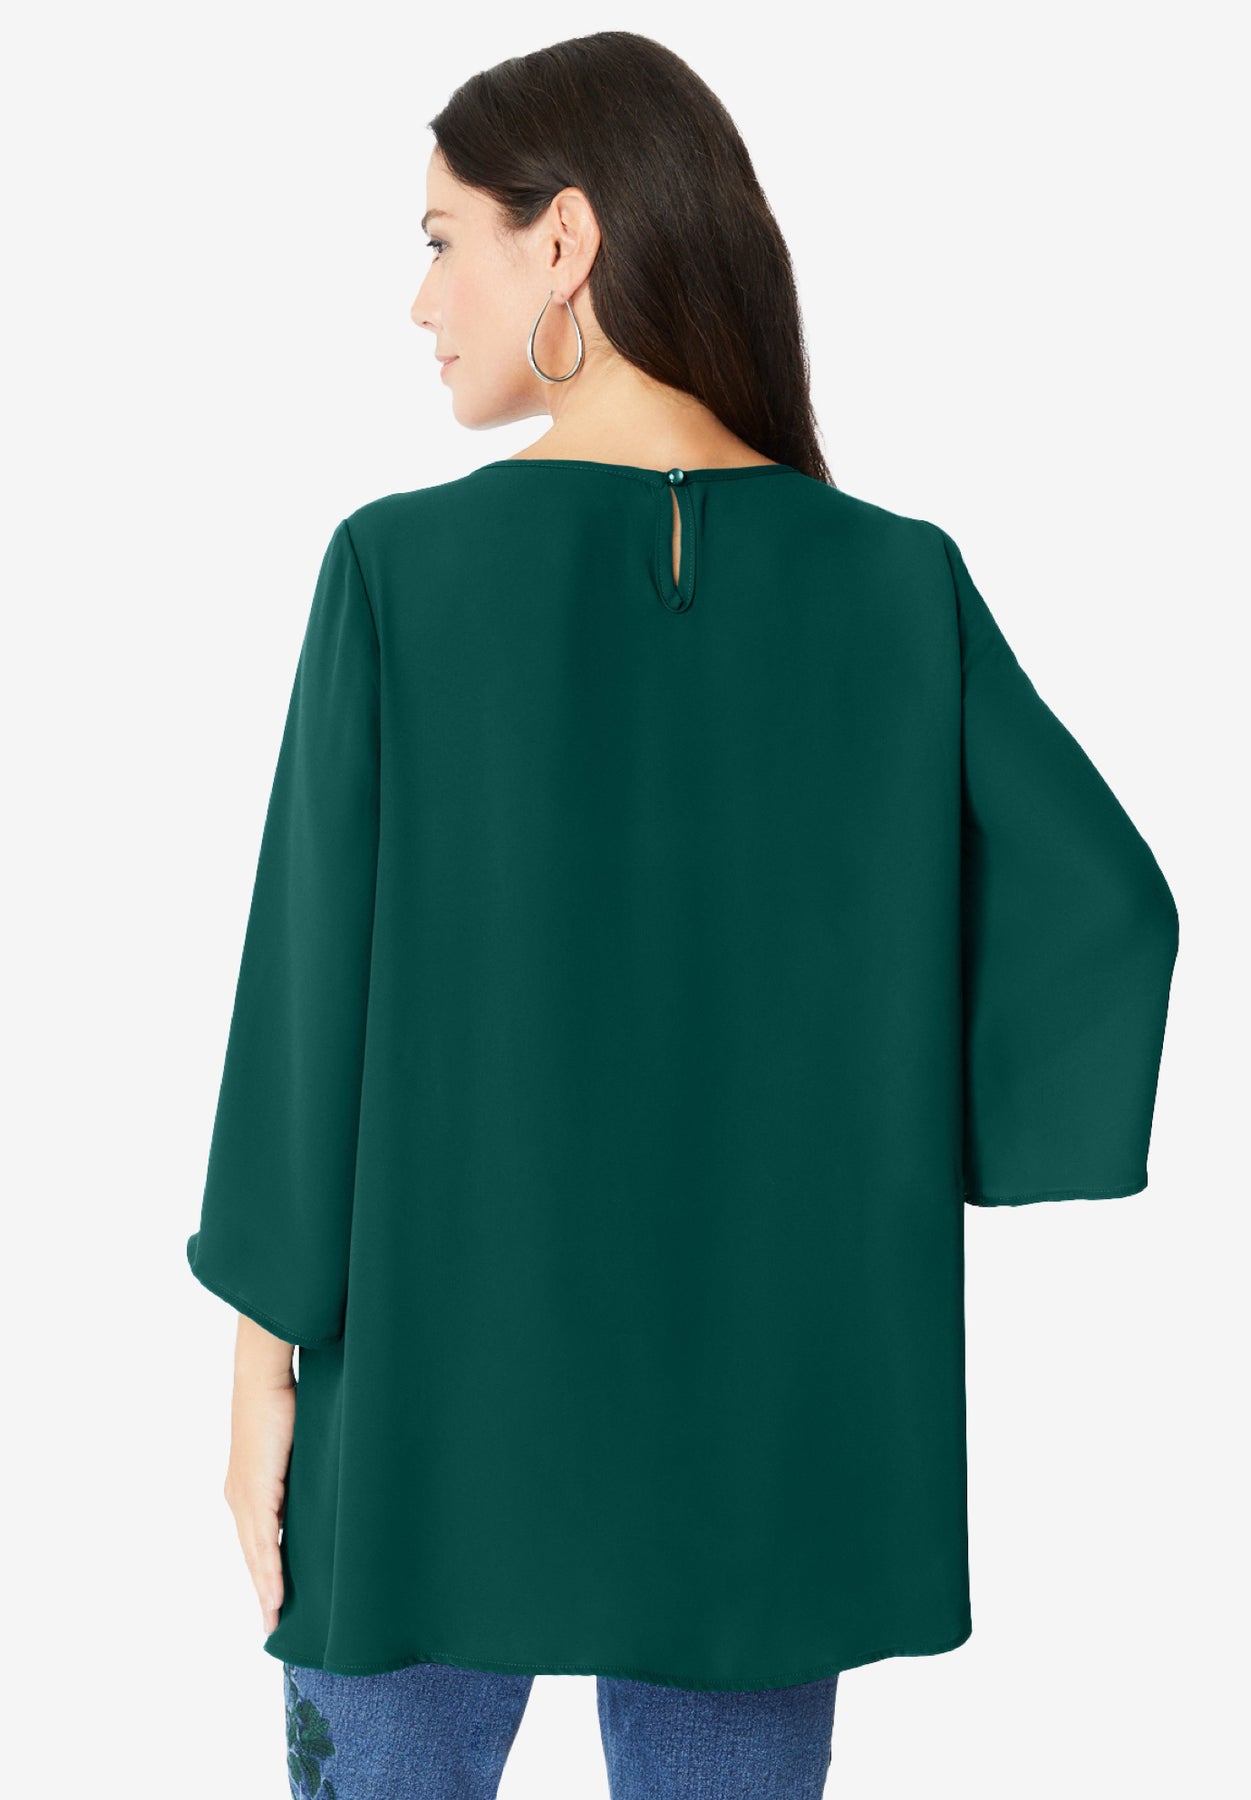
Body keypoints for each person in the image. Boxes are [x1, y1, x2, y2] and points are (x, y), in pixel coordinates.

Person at [186, 30, 1180, 1800]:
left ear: (564, 241)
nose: (421, 301)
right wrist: (907, 1144)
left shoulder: (399, 571)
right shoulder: (896, 584)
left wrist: (264, 1360)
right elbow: (1107, 905)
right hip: (769, 1420)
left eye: (442, 241)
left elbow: (303, 1000)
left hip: (429, 1399)